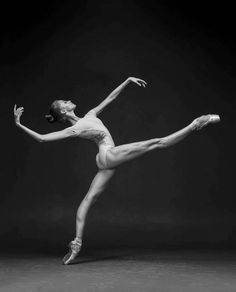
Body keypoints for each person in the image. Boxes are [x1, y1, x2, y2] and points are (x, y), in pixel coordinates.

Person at [14, 77, 220, 265]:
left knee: (87, 200)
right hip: (108, 155)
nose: (68, 101)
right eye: (65, 103)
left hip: (103, 159)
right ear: (65, 112)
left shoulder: (89, 115)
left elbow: (110, 98)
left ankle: (76, 244)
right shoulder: (74, 129)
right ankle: (196, 124)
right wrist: (19, 124)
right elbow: (42, 138)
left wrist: (127, 80)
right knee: (156, 143)